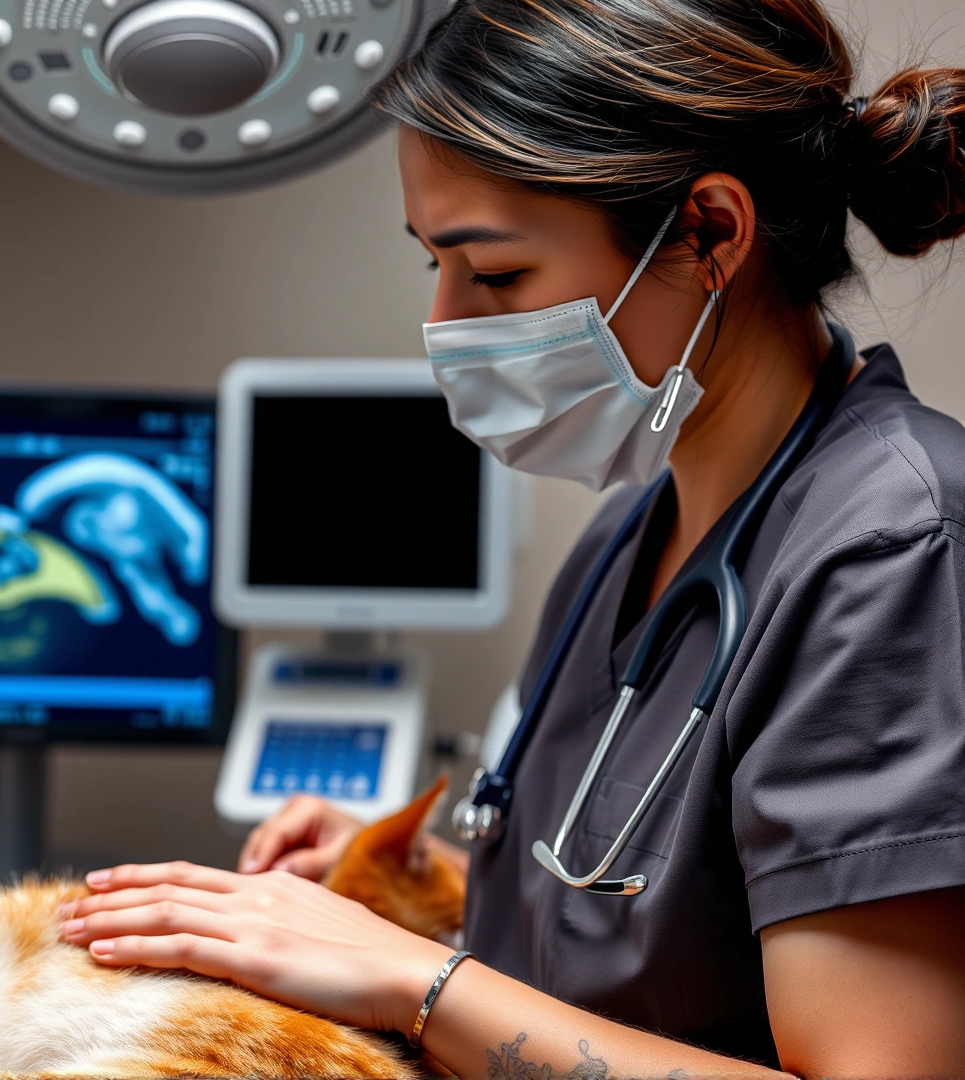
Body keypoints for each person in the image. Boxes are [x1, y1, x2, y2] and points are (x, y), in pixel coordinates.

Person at [57, 0, 965, 1074]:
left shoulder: (893, 550)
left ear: (712, 232)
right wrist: (405, 880)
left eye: (493, 274)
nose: (444, 324)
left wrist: (409, 977)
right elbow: (647, 931)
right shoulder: (630, 543)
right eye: (431, 264)